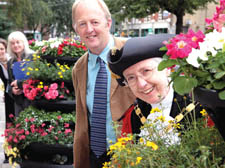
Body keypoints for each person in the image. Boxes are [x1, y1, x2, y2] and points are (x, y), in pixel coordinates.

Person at [71, 0, 135, 167]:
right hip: (95, 157)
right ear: (76, 29)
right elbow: (82, 118)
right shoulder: (78, 69)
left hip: (133, 154)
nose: (89, 29)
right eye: (82, 24)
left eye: (95, 22)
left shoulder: (132, 53)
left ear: (108, 23)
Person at [107, 34, 202, 136]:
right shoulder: (134, 116)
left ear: (167, 69)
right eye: (131, 78)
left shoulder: (200, 107)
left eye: (146, 71)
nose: (141, 84)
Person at [7, 31, 34, 116]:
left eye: (18, 42)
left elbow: (35, 78)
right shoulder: (10, 62)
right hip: (18, 102)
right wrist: (12, 90)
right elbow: (9, 82)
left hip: (32, 100)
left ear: (24, 43)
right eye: (12, 43)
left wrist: (19, 83)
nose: (15, 45)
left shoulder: (33, 57)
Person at [0, 38, 15, 122]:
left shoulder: (12, 60)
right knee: (9, 117)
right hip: (7, 92)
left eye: (1, 49)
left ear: (6, 49)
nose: (0, 51)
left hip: (17, 90)